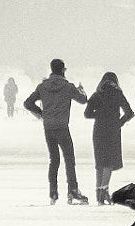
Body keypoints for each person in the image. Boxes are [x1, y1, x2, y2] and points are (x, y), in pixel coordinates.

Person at [24, 59, 89, 204]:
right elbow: (83, 100)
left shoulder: (42, 86)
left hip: (48, 128)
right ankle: (73, 191)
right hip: (62, 127)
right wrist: (81, 90)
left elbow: (27, 103)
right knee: (69, 159)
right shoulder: (68, 87)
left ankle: (53, 193)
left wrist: (42, 114)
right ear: (63, 70)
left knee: (54, 160)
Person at [84, 72, 135, 205]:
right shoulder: (118, 94)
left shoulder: (96, 95)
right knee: (109, 162)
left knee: (100, 162)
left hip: (99, 130)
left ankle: (98, 192)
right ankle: (104, 191)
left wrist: (100, 115)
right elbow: (129, 113)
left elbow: (87, 114)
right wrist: (119, 122)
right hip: (113, 130)